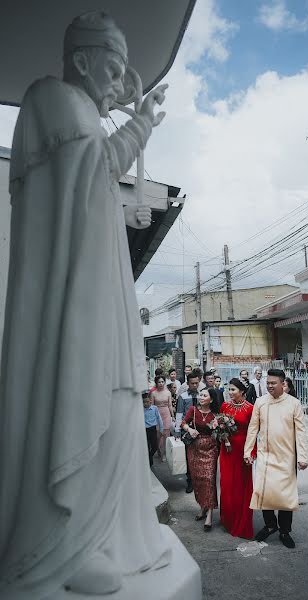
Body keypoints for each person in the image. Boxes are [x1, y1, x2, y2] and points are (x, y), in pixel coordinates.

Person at [0, 11, 170, 597]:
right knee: (87, 401)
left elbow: (99, 166)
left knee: (120, 407)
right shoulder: (51, 101)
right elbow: (93, 165)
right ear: (80, 60)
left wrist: (138, 122)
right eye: (114, 67)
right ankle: (70, 543)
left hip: (103, 286)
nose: (119, 84)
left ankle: (117, 537)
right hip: (77, 294)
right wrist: (137, 128)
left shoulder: (79, 117)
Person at [244, 369, 308, 549]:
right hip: (265, 455)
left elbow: (300, 432)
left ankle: (285, 531)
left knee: (286, 497)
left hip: (287, 457)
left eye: (273, 383)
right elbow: (252, 429)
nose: (269, 386)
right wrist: (248, 452)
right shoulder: (260, 402)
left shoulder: (294, 403)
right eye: (268, 382)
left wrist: (302, 457)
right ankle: (270, 524)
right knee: (266, 493)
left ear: (282, 384)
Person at [220, 378, 255, 539]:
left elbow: (253, 433)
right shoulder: (225, 406)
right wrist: (225, 439)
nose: (230, 392)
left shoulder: (250, 409)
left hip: (242, 450)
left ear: (242, 391)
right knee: (227, 483)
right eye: (229, 389)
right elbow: (219, 427)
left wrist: (252, 453)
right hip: (227, 450)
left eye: (233, 390)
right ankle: (228, 519)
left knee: (241, 485)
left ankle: (241, 520)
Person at [181, 388, 219, 531]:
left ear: (211, 399)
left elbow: (220, 431)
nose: (201, 397)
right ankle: (202, 507)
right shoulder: (193, 410)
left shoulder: (216, 414)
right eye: (200, 394)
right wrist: (189, 429)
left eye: (204, 395)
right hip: (194, 450)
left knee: (209, 480)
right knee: (198, 480)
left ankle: (209, 514)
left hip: (210, 450)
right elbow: (183, 423)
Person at [175, 371, 201, 493]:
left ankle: (199, 480)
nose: (195, 385)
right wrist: (177, 432)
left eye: (197, 383)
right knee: (188, 456)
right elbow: (179, 414)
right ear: (188, 383)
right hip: (187, 430)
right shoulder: (183, 396)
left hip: (201, 429)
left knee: (199, 456)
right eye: (192, 383)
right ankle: (190, 481)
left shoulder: (202, 395)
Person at [151, 375, 174, 461]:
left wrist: (173, 416)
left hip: (166, 414)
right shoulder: (153, 393)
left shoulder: (168, 392)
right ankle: (159, 450)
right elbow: (152, 406)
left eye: (162, 382)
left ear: (164, 382)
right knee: (158, 434)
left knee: (166, 434)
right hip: (157, 414)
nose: (161, 384)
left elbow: (170, 405)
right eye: (159, 382)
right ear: (156, 383)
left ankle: (164, 453)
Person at [143, 391, 164, 467]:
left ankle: (149, 457)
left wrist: (161, 429)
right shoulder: (141, 410)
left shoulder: (154, 408)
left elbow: (159, 419)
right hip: (145, 430)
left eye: (147, 402)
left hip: (153, 429)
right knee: (147, 447)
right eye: (144, 402)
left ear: (151, 401)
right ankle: (149, 463)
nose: (146, 403)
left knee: (155, 446)